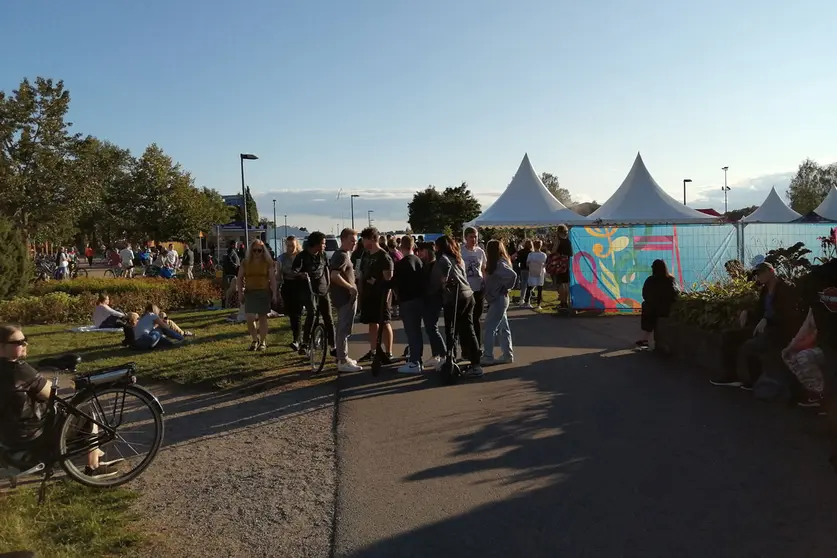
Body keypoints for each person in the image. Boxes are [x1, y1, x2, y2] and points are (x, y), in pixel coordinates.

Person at [0, 324, 121, 478]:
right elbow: (51, 394)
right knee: (86, 412)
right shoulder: (19, 370)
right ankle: (93, 466)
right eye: (18, 343)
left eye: (25, 340)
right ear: (2, 347)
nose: (25, 344)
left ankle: (95, 452)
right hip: (31, 434)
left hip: (7, 434)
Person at [432, 235, 482, 378]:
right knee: (468, 329)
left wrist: (440, 286)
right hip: (467, 294)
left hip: (456, 297)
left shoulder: (443, 259)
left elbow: (442, 277)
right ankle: (475, 363)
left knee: (451, 330)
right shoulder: (458, 258)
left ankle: (450, 360)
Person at [293, 231, 336, 358]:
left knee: (328, 316)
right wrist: (301, 274)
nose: (325, 246)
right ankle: (305, 343)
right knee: (311, 312)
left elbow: (327, 269)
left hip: (323, 289)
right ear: (316, 244)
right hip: (308, 289)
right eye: (323, 243)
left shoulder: (323, 255)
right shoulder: (302, 256)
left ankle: (333, 346)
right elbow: (294, 271)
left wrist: (328, 285)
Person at [358, 228, 394, 363]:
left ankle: (388, 352)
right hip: (368, 295)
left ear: (373, 239)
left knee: (385, 323)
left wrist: (384, 294)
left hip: (381, 296)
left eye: (364, 239)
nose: (362, 242)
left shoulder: (384, 256)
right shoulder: (365, 255)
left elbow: (389, 279)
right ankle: (373, 351)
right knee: (372, 323)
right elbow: (361, 273)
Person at [329, 229, 363, 373]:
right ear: (343, 239)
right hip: (344, 298)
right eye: (352, 240)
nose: (354, 243)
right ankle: (342, 361)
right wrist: (350, 287)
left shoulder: (345, 255)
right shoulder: (341, 256)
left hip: (347, 297)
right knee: (343, 329)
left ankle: (344, 356)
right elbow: (334, 275)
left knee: (345, 328)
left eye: (355, 240)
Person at [237, 239, 277, 351]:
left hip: (264, 292)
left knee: (262, 317)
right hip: (250, 292)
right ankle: (255, 339)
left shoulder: (268, 262)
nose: (257, 253)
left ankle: (263, 341)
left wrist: (274, 294)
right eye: (254, 250)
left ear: (263, 251)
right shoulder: (245, 262)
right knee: (250, 317)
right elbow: (239, 278)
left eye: (259, 250)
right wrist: (240, 293)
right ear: (251, 251)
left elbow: (272, 279)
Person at [482, 240, 518, 364]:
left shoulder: (499, 264)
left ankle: (488, 356)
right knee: (503, 327)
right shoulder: (499, 263)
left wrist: (506, 287)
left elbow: (512, 276)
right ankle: (507, 354)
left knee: (489, 327)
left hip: (498, 298)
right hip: (499, 298)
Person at [394, 236, 425, 374]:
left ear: (401, 246)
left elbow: (395, 282)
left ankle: (414, 362)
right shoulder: (419, 261)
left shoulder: (401, 264)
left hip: (407, 300)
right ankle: (418, 358)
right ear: (413, 246)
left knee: (411, 331)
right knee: (417, 331)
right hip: (419, 299)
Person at [635, 259, 679, 349]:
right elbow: (676, 294)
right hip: (666, 309)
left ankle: (645, 339)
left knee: (646, 306)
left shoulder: (650, 280)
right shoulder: (670, 280)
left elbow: (645, 294)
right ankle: (646, 340)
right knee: (651, 309)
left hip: (652, 309)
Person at [417, 242, 446, 370]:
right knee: (430, 329)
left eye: (421, 250)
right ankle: (436, 355)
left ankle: (444, 355)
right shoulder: (427, 265)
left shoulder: (435, 265)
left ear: (428, 251)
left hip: (433, 301)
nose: (419, 253)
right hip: (428, 300)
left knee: (432, 328)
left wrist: (427, 294)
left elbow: (435, 286)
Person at [461, 227, 487, 351]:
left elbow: (484, 269)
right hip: (465, 290)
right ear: (465, 237)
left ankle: (477, 347)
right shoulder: (461, 251)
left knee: (476, 319)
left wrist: (485, 283)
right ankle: (466, 348)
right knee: (466, 320)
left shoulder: (480, 252)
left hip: (478, 289)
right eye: (471, 236)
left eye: (475, 236)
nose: (474, 239)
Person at [278, 237, 305, 350]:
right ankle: (298, 337)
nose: (290, 248)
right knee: (291, 314)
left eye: (292, 246)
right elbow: (279, 274)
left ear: (296, 245)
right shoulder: (282, 258)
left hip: (299, 286)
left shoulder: (301, 256)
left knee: (296, 314)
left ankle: (297, 340)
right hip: (287, 286)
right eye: (288, 246)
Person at [551, 225, 573, 309]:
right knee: (566, 284)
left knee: (561, 284)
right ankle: (566, 302)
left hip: (559, 264)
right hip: (566, 264)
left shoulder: (558, 241)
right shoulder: (568, 241)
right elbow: (571, 254)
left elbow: (553, 251)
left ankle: (562, 302)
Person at [525, 240, 547, 309]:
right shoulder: (543, 255)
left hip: (532, 272)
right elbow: (545, 264)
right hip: (540, 272)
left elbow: (527, 264)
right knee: (539, 288)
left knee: (529, 287)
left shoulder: (531, 254)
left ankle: (527, 302)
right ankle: (538, 304)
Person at [516, 240, 532, 306]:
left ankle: (521, 298)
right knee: (529, 285)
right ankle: (527, 298)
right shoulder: (531, 253)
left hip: (523, 269)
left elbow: (517, 258)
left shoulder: (521, 252)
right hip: (529, 269)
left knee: (523, 284)